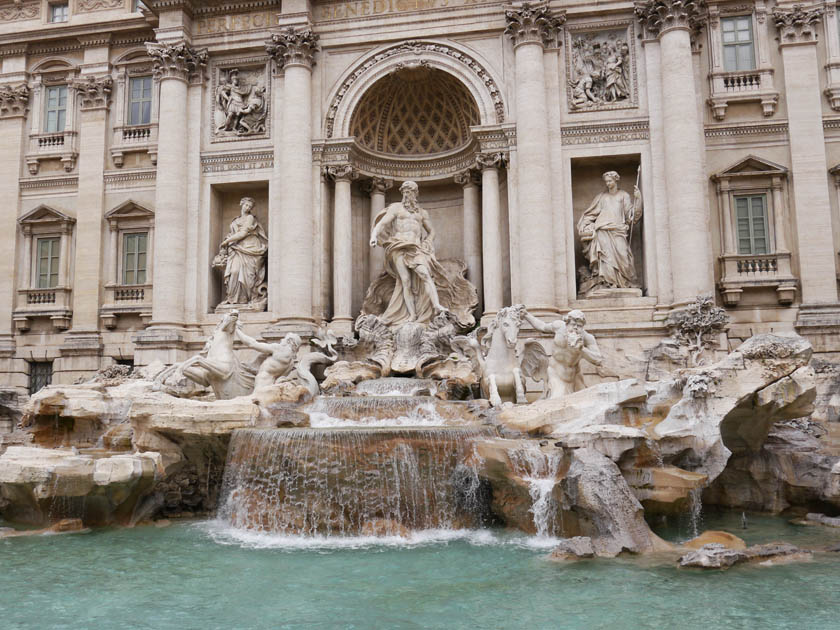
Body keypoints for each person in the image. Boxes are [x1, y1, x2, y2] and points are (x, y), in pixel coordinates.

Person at [368, 181, 449, 325]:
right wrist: (374, 235)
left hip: (416, 248)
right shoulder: (396, 208)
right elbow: (382, 224)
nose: (407, 194)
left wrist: (428, 241)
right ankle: (412, 315)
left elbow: (432, 231)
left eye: (410, 191)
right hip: (398, 246)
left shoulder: (422, 213)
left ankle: (436, 305)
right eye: (404, 191)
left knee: (425, 274)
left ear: (415, 193)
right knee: (405, 281)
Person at [576, 170, 642, 293]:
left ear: (616, 180)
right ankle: (608, 283)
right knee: (605, 259)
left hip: (618, 230)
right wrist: (585, 225)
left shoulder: (624, 195)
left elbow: (632, 216)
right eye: (606, 181)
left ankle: (625, 282)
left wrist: (638, 200)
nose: (608, 183)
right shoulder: (601, 197)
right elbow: (590, 214)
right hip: (602, 230)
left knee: (624, 256)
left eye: (610, 181)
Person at [520, 308, 606, 398]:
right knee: (558, 400)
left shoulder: (587, 338)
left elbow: (598, 359)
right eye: (573, 324)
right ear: (567, 323)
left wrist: (581, 349)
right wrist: (526, 315)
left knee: (585, 402)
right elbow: (542, 326)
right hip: (556, 372)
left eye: (579, 326)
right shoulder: (559, 327)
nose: (576, 327)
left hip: (575, 375)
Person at [214, 197, 268, 308]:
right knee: (234, 271)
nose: (248, 207)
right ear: (241, 204)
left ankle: (245, 300)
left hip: (250, 247)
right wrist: (228, 241)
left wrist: (227, 241)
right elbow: (233, 234)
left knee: (249, 276)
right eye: (246, 205)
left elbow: (243, 233)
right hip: (237, 248)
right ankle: (233, 299)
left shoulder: (250, 218)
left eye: (250, 206)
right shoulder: (235, 220)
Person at [235, 329, 301, 390]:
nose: (281, 339)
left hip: (262, 382)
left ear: (289, 341)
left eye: (284, 338)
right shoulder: (291, 362)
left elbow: (252, 344)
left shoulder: (279, 348)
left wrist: (237, 330)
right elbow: (275, 372)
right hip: (271, 384)